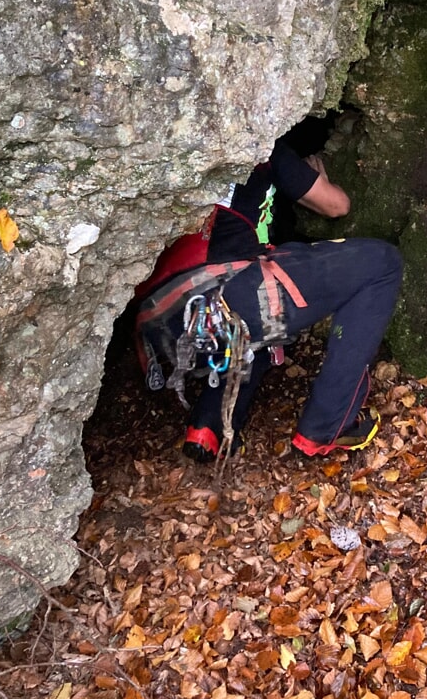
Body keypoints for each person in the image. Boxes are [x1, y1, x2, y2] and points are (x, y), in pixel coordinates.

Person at [140, 137, 403, 463]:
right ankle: (329, 426)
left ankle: (208, 429)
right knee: (383, 263)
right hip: (228, 295)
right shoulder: (259, 145)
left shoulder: (180, 150)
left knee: (252, 326)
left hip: (168, 317)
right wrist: (314, 177)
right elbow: (336, 205)